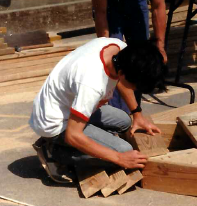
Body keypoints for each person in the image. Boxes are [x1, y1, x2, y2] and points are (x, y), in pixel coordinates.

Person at [29, 38, 166, 184]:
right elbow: (72, 135)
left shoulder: (120, 50)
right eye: (135, 86)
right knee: (123, 151)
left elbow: (121, 81)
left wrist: (137, 114)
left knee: (125, 121)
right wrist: (119, 158)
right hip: (54, 122)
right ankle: (54, 152)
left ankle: (94, 142)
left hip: (70, 106)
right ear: (121, 73)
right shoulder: (91, 83)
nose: (135, 90)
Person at [90, 0, 167, 112]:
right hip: (110, 3)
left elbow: (157, 8)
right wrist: (104, 46)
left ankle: (134, 110)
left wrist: (160, 45)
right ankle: (116, 114)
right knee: (115, 60)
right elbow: (100, 12)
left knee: (139, 57)